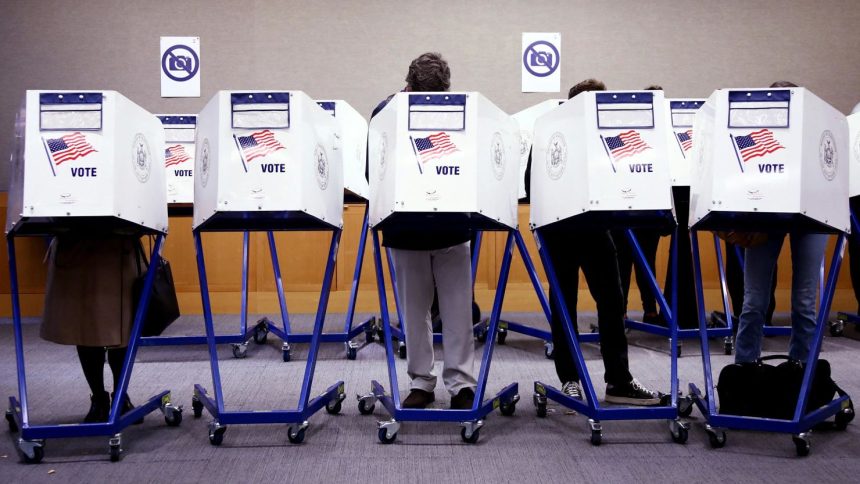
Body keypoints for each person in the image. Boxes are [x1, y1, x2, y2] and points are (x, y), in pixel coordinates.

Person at [526, 78, 666, 406]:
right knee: (564, 306)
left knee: (613, 303)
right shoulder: (550, 133)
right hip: (559, 231)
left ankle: (618, 380)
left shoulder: (605, 134)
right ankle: (570, 379)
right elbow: (532, 182)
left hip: (597, 230)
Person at [371, 52, 477, 409]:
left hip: (452, 225)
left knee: (458, 309)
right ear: (409, 87)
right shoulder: (385, 115)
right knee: (414, 312)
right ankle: (421, 381)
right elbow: (375, 171)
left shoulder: (462, 111)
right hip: (407, 228)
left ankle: (461, 383)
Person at [734, 81, 829, 365]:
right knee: (754, 301)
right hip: (765, 212)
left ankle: (802, 373)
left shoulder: (814, 132)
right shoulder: (755, 134)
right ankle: (744, 370)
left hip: (811, 212)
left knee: (803, 302)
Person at [41, 234, 144, 423]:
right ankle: (99, 398)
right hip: (77, 247)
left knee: (122, 329)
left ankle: (119, 397)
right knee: (86, 329)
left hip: (117, 245)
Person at [612, 84, 665, 326]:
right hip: (628, 207)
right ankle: (628, 310)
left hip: (645, 209)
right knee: (625, 262)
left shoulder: (658, 135)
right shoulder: (629, 132)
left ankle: (646, 310)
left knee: (643, 262)